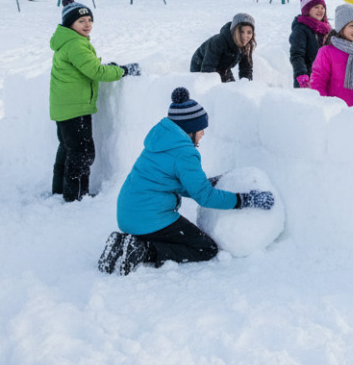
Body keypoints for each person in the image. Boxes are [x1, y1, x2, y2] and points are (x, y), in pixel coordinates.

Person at [98, 87, 275, 276]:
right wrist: (245, 200)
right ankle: (143, 250)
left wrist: (205, 182)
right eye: (201, 129)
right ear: (190, 130)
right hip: (149, 219)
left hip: (128, 214)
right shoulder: (184, 153)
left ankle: (126, 242)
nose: (203, 134)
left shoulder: (161, 141)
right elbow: (205, 198)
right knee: (205, 249)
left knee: (179, 237)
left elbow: (170, 181)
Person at [49, 0, 139, 202]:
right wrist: (123, 70)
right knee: (82, 153)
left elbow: (86, 67)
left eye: (89, 19)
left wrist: (109, 67)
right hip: (75, 108)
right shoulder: (76, 45)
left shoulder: (66, 42)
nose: (87, 24)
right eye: (81, 21)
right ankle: (77, 196)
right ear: (69, 24)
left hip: (63, 107)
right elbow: (95, 71)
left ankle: (60, 191)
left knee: (67, 150)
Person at [189, 12, 255, 82]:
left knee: (231, 88)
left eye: (249, 32)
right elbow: (208, 69)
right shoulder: (218, 42)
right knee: (216, 88)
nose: (245, 36)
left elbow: (246, 69)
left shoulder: (247, 46)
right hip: (201, 65)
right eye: (241, 31)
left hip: (223, 67)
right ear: (234, 30)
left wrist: (246, 86)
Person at [289, 0, 329, 88]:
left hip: (323, 77)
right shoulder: (301, 29)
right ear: (307, 9)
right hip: (307, 78)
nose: (320, 10)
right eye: (316, 7)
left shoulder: (325, 29)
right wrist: (301, 74)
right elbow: (297, 54)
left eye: (322, 7)